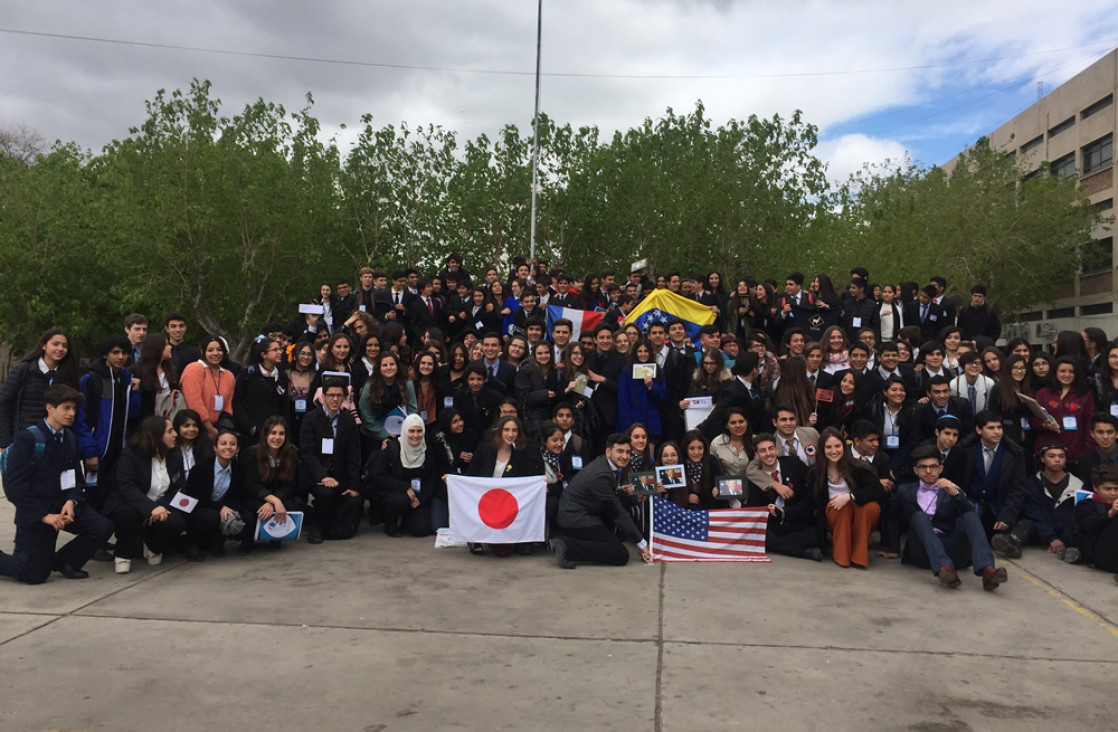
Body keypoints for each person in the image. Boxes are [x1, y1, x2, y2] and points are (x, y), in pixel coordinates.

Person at [0, 384, 114, 584]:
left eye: (74, 409)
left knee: (102, 527)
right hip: (37, 511)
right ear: (49, 408)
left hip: (63, 506)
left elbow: (76, 479)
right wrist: (45, 516)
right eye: (66, 408)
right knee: (34, 575)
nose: (71, 413)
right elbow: (14, 488)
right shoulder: (28, 438)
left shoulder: (69, 437)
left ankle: (64, 561)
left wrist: (72, 501)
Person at [895, 445, 1007, 590]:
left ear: (940, 469)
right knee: (919, 517)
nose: (928, 471)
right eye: (923, 467)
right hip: (923, 551)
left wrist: (955, 494)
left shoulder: (951, 488)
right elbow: (893, 517)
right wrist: (892, 548)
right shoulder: (905, 491)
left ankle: (987, 570)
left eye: (933, 467)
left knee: (970, 516)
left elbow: (971, 514)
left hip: (951, 547)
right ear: (916, 470)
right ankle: (944, 568)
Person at [553, 432, 653, 568]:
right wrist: (641, 544)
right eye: (620, 451)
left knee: (625, 498)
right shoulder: (601, 475)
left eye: (628, 452)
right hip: (574, 519)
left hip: (582, 509)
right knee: (620, 554)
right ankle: (568, 547)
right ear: (608, 452)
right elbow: (617, 512)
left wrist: (620, 491)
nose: (625, 456)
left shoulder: (604, 462)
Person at [104, 415, 188, 574]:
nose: (175, 434)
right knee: (127, 513)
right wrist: (150, 509)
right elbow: (127, 487)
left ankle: (152, 544)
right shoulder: (130, 454)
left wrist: (160, 507)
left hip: (162, 505)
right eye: (170, 431)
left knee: (176, 522)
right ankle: (123, 552)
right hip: (132, 504)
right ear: (156, 435)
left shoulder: (175, 457)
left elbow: (179, 488)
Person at [74, 334, 142, 509]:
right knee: (94, 493)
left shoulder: (127, 378)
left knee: (116, 492)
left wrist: (135, 393)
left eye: (124, 353)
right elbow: (81, 419)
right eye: (115, 352)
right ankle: (93, 532)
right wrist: (89, 451)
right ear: (105, 354)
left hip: (120, 448)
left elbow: (132, 414)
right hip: (99, 449)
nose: (120, 357)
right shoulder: (91, 379)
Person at [466, 416, 542, 556]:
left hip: (504, 504)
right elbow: (470, 475)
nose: (510, 434)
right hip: (483, 500)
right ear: (500, 431)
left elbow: (523, 483)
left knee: (502, 552)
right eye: (506, 430)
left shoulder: (520, 455)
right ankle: (474, 538)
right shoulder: (485, 448)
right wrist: (453, 480)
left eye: (514, 430)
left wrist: (540, 484)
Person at [300, 378, 363, 544]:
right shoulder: (311, 418)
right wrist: (322, 477)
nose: (335, 399)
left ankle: (334, 527)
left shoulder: (348, 421)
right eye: (331, 395)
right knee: (325, 493)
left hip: (340, 474)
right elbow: (307, 454)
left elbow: (353, 455)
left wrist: (354, 485)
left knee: (353, 498)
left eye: (339, 395)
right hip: (317, 474)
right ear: (323, 397)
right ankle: (317, 526)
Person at [810, 427, 884, 569]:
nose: (834, 451)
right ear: (822, 449)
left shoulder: (858, 467)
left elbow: (878, 491)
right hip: (835, 517)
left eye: (837, 446)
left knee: (866, 506)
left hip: (861, 516)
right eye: (828, 447)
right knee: (841, 507)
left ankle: (859, 558)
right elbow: (810, 502)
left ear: (844, 447)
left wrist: (850, 496)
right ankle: (842, 556)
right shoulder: (815, 473)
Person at [0, 329, 80, 455]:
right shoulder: (24, 370)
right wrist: (4, 442)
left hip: (56, 443)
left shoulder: (69, 375)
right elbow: (3, 404)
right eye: (55, 344)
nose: (60, 348)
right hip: (24, 440)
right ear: (43, 345)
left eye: (64, 346)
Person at [745, 432, 822, 560]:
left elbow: (809, 496)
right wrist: (769, 510)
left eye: (770, 449)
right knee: (760, 535)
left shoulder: (794, 464)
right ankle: (804, 553)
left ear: (776, 450)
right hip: (773, 526)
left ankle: (778, 546)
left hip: (796, 520)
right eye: (763, 451)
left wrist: (787, 512)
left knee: (815, 535)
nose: (768, 453)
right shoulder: (755, 480)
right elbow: (756, 510)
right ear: (757, 455)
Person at [961, 410, 1029, 551]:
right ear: (979, 430)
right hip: (972, 505)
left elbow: (1017, 489)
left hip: (998, 507)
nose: (997, 432)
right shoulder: (965, 450)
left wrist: (1007, 516)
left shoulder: (1014, 454)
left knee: (1025, 523)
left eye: (999, 427)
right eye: (991, 428)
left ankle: (1007, 540)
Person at [181, 429, 248, 560]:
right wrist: (220, 508)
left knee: (246, 516)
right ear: (215, 448)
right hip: (197, 507)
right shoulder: (200, 469)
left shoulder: (239, 468)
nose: (228, 447)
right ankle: (192, 544)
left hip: (224, 505)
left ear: (238, 449)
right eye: (223, 443)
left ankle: (220, 541)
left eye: (232, 444)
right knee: (211, 516)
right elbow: (194, 498)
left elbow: (238, 495)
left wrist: (227, 508)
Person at [240, 415, 303, 553]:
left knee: (292, 504)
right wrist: (272, 500)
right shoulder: (251, 453)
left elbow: (290, 484)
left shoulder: (291, 454)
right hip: (255, 496)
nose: (277, 437)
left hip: (278, 496)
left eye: (281, 433)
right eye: (273, 433)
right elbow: (250, 484)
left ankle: (276, 537)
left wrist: (275, 500)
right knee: (257, 509)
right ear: (265, 434)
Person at [373, 414, 436, 537]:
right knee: (400, 500)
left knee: (421, 529)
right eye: (411, 431)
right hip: (396, 494)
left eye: (419, 431)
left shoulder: (427, 450)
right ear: (404, 430)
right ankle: (390, 524)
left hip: (418, 497)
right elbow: (378, 476)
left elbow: (432, 479)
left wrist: (420, 499)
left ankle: (407, 519)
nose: (416, 435)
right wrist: (405, 487)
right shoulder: (393, 448)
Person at [1018, 441, 1081, 561]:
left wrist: (1062, 540)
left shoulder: (1077, 485)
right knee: (1025, 523)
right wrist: (1051, 538)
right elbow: (1034, 513)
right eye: (1051, 456)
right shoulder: (1031, 484)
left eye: (1061, 456)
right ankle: (1012, 542)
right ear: (1042, 459)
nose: (1057, 460)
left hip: (1065, 533)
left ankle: (1075, 552)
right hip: (1041, 530)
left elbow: (1076, 518)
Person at [1031, 357, 1096, 466]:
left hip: (1075, 450)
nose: (1067, 375)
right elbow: (1033, 419)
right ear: (1055, 372)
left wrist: (1085, 452)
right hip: (1046, 450)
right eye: (1062, 371)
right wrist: (1044, 425)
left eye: (1071, 372)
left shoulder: (1084, 396)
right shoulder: (1043, 393)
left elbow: (1089, 424)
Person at [180, 335, 236, 441]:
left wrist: (224, 426)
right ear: (203, 352)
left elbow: (228, 405)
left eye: (219, 350)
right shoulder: (194, 369)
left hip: (219, 427)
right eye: (210, 350)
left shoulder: (228, 375)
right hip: (195, 427)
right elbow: (194, 402)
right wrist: (209, 428)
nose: (215, 353)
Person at [232, 337, 287, 445]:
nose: (279, 352)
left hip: (275, 434)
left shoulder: (282, 375)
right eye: (275, 350)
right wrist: (250, 427)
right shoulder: (248, 374)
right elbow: (237, 402)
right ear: (264, 354)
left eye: (280, 349)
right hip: (253, 433)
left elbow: (284, 406)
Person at [1071, 465, 1118, 575]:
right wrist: (1110, 514)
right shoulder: (1087, 504)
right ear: (1096, 488)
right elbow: (1087, 525)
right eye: (1108, 489)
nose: (1113, 493)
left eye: (1116, 489)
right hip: (1099, 553)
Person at [616, 337, 666, 440]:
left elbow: (661, 398)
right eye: (640, 351)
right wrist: (627, 425)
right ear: (635, 353)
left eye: (646, 351)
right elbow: (623, 399)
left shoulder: (658, 371)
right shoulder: (627, 371)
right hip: (632, 420)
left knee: (650, 455)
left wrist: (651, 386)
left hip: (651, 422)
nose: (643, 354)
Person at [1075, 414, 1118, 484]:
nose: (1105, 437)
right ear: (1092, 434)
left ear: (1117, 434)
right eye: (1100, 432)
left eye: (1110, 432)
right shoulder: (1085, 460)